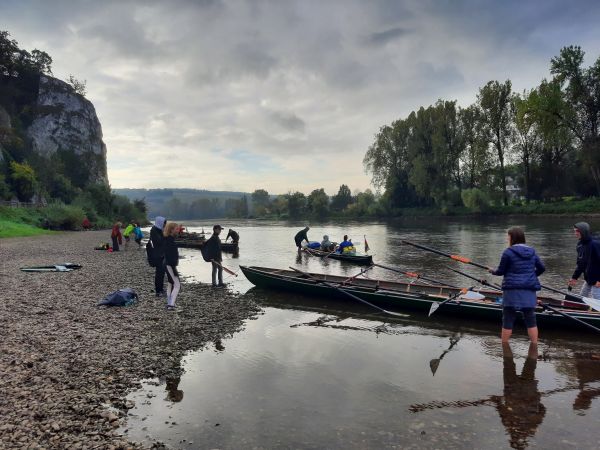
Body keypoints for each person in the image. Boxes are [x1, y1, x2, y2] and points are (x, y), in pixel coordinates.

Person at [489, 227, 545, 343]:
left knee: (508, 319)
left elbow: (501, 271)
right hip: (529, 290)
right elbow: (542, 268)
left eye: (508, 236)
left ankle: (505, 346)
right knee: (531, 319)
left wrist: (492, 271)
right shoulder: (532, 251)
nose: (507, 238)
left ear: (512, 237)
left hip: (512, 290)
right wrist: (531, 275)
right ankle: (534, 346)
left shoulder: (508, 252)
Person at [568, 222, 600, 300]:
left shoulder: (595, 243)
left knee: (596, 297)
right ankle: (580, 309)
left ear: (583, 231)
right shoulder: (580, 244)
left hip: (597, 279)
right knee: (582, 296)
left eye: (577, 231)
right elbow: (581, 263)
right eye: (574, 231)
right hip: (589, 277)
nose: (575, 233)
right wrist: (574, 277)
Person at [163, 222, 181, 310]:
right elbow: (170, 254)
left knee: (170, 283)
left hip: (168, 264)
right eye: (176, 229)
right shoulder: (169, 240)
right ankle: (171, 305)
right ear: (171, 230)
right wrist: (174, 264)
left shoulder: (168, 239)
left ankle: (169, 303)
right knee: (177, 285)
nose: (178, 230)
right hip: (170, 265)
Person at [149, 216, 167, 297]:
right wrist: (164, 234)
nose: (165, 225)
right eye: (164, 224)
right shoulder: (154, 230)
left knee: (162, 273)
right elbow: (159, 241)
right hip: (157, 255)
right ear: (160, 223)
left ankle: (161, 289)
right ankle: (158, 291)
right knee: (159, 274)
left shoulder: (158, 230)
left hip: (161, 254)